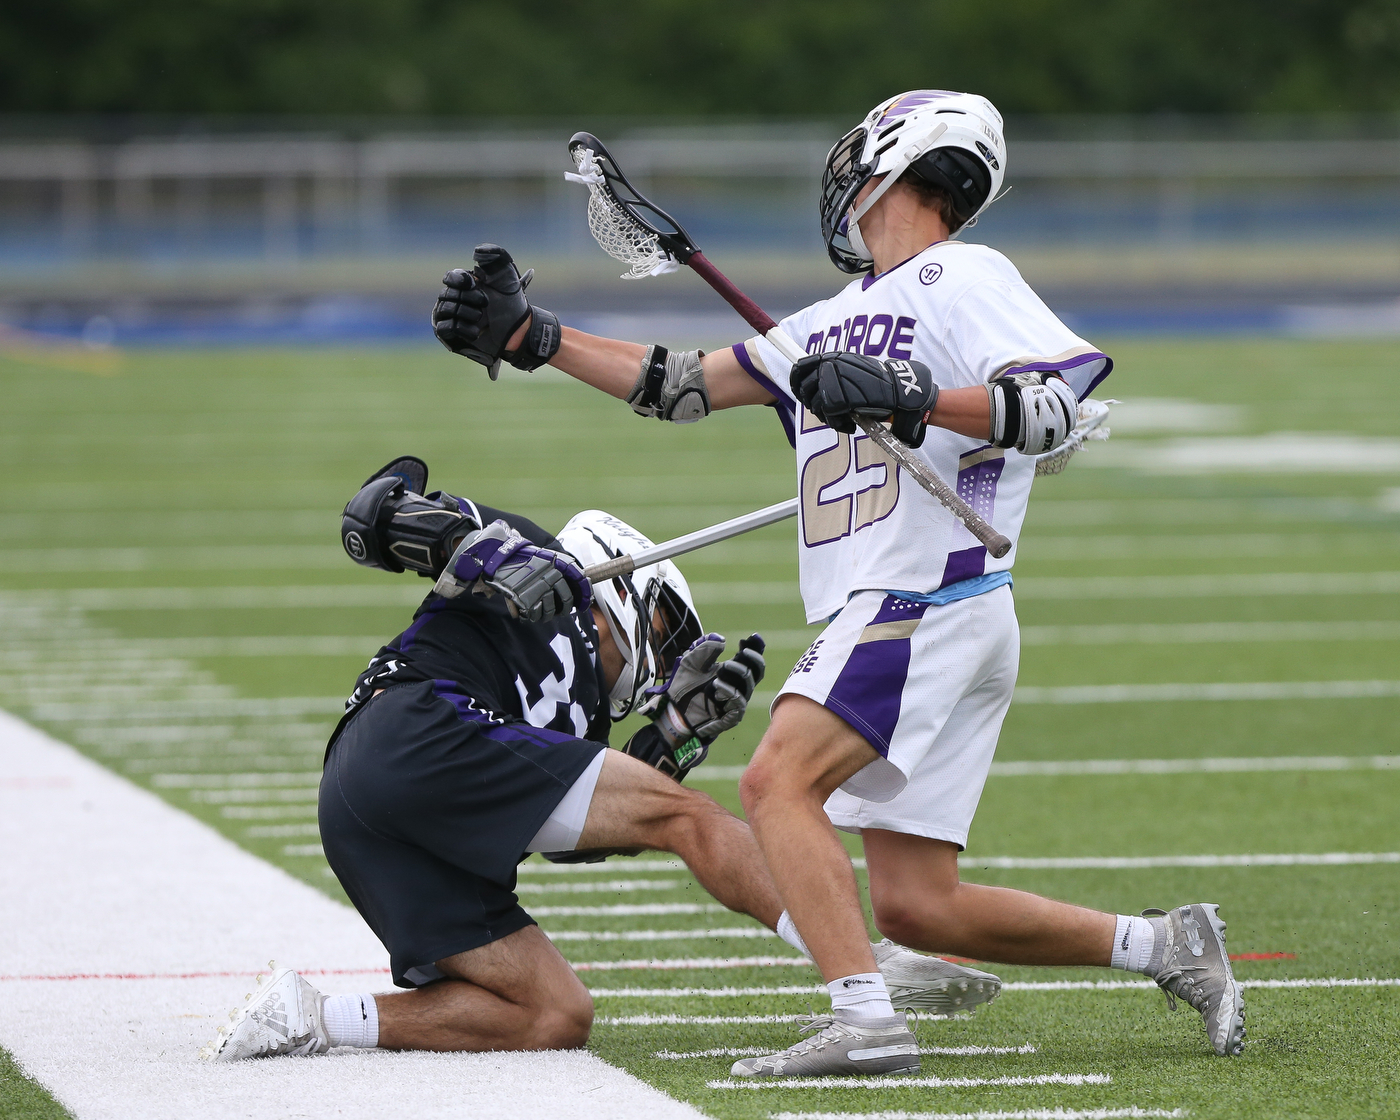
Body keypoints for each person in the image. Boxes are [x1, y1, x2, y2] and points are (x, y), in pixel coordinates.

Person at [429, 89, 1246, 1075]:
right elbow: (676, 384)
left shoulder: (958, 273)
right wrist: (537, 341)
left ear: (899, 156)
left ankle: (863, 1021)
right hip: (938, 608)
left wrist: (907, 397)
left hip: (923, 594)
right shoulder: (828, 321)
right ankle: (1168, 944)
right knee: (916, 903)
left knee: (777, 779)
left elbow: (1050, 400)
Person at [205, 455, 997, 1062]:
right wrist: (473, 551)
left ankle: (307, 1017)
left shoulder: (581, 710)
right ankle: (857, 959)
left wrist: (669, 745)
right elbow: (372, 513)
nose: (662, 661)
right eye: (664, 635)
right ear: (629, 592)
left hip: (366, 810)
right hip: (414, 726)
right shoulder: (539, 555)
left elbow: (575, 828)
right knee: (691, 820)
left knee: (552, 1014)